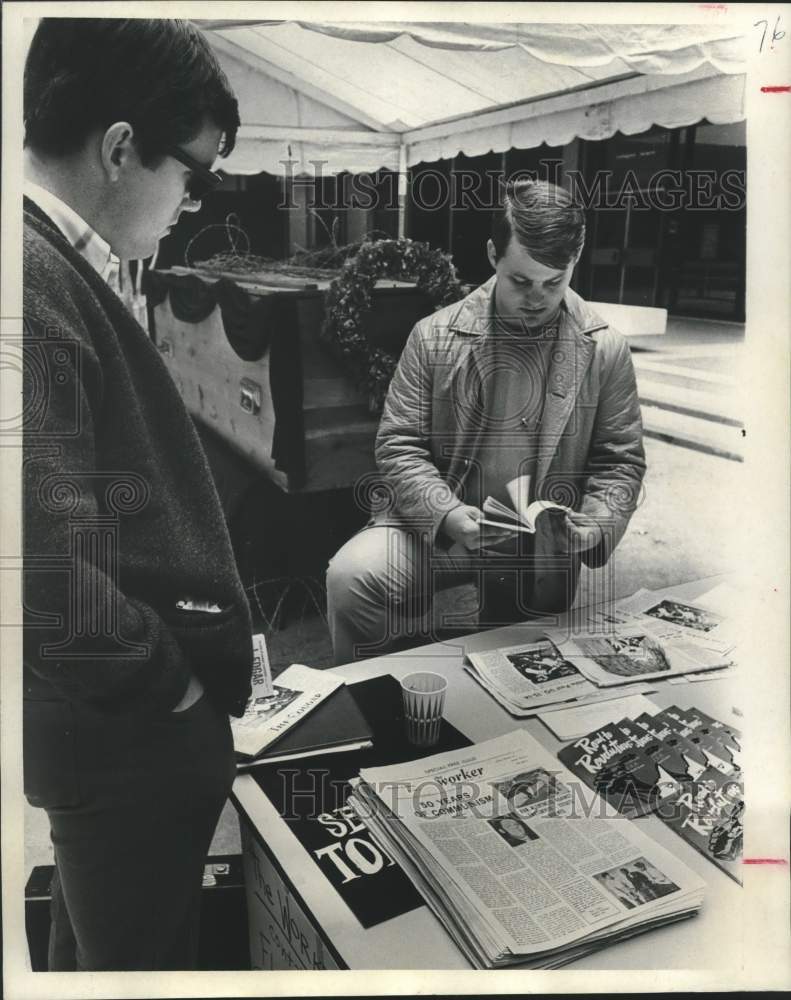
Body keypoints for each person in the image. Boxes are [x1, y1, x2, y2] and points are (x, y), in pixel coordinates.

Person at [22, 19, 253, 970]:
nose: (193, 200)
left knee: (100, 952)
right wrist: (172, 683)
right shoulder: (33, 277)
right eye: (192, 171)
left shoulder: (51, 262)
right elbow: (33, 566)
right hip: (119, 736)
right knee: (139, 969)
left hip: (106, 731)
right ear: (120, 148)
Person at [327, 179, 646, 664]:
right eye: (521, 281)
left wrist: (598, 523)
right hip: (438, 527)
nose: (537, 298)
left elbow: (619, 463)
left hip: (538, 545)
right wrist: (447, 514)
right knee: (351, 578)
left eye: (553, 282)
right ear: (494, 254)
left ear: (573, 264)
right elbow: (399, 444)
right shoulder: (433, 336)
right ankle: (378, 704)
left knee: (519, 675)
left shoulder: (605, 349)